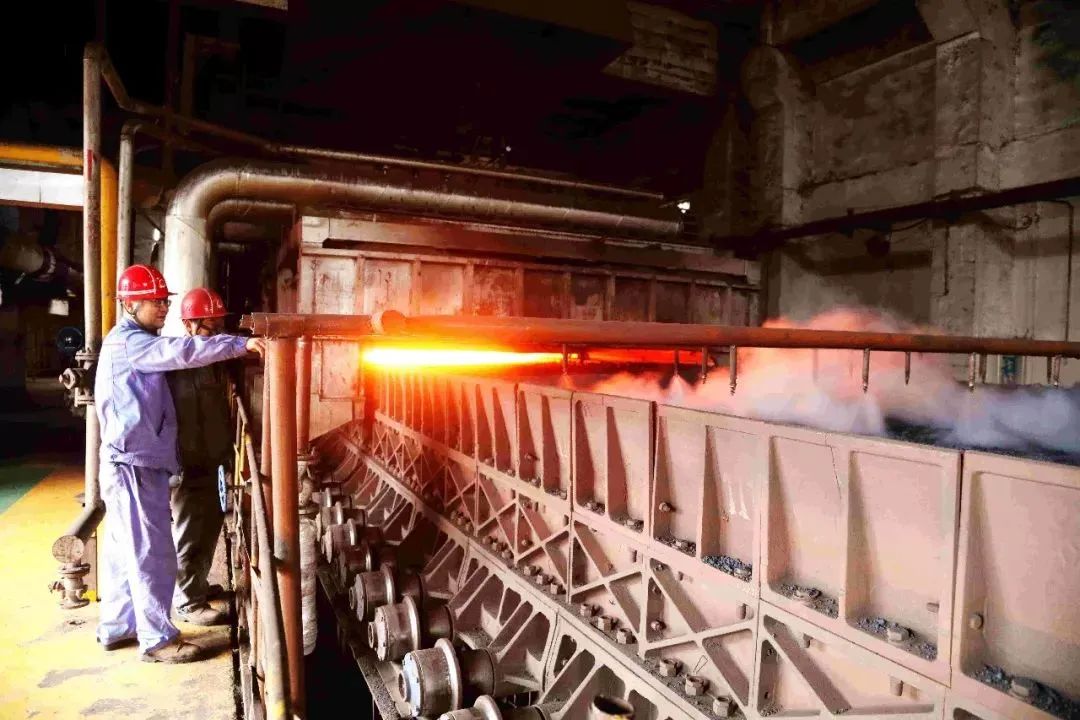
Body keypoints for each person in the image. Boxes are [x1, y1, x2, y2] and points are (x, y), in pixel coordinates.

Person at [95, 264, 265, 663]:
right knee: (152, 553)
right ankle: (158, 641)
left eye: (164, 301)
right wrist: (242, 345)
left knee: (124, 553)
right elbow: (184, 350)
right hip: (134, 464)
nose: (162, 308)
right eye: (153, 301)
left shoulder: (133, 341)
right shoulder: (131, 343)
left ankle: (118, 628)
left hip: (131, 461)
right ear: (129, 304)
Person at [166, 287, 236, 626]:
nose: (217, 332)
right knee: (190, 532)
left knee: (210, 525)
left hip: (213, 461)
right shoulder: (177, 361)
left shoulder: (214, 362)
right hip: (188, 465)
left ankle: (199, 584)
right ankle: (188, 603)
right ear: (189, 325)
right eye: (211, 325)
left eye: (220, 324)